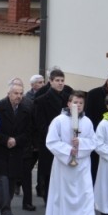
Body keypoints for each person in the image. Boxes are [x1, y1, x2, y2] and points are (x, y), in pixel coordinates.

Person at [44, 90, 99, 215]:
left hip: (82, 164)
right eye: (75, 102)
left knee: (86, 194)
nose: (78, 105)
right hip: (65, 165)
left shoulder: (87, 122)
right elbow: (51, 142)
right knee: (65, 194)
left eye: (81, 103)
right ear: (69, 103)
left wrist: (80, 143)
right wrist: (69, 150)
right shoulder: (59, 121)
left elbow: (94, 142)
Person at [0, 82, 33, 215]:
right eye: (16, 93)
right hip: (1, 149)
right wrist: (6, 140)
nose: (19, 96)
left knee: (11, 180)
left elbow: (29, 132)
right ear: (9, 94)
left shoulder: (26, 109)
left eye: (21, 93)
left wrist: (16, 140)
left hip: (16, 150)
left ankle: (5, 205)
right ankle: (5, 211)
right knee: (2, 179)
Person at [34, 69, 71, 203]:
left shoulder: (68, 98)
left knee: (64, 170)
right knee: (49, 171)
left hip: (66, 141)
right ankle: (49, 197)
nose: (60, 83)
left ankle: (63, 197)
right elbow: (40, 124)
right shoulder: (41, 100)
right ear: (50, 81)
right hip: (49, 141)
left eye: (62, 81)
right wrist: (54, 135)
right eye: (57, 81)